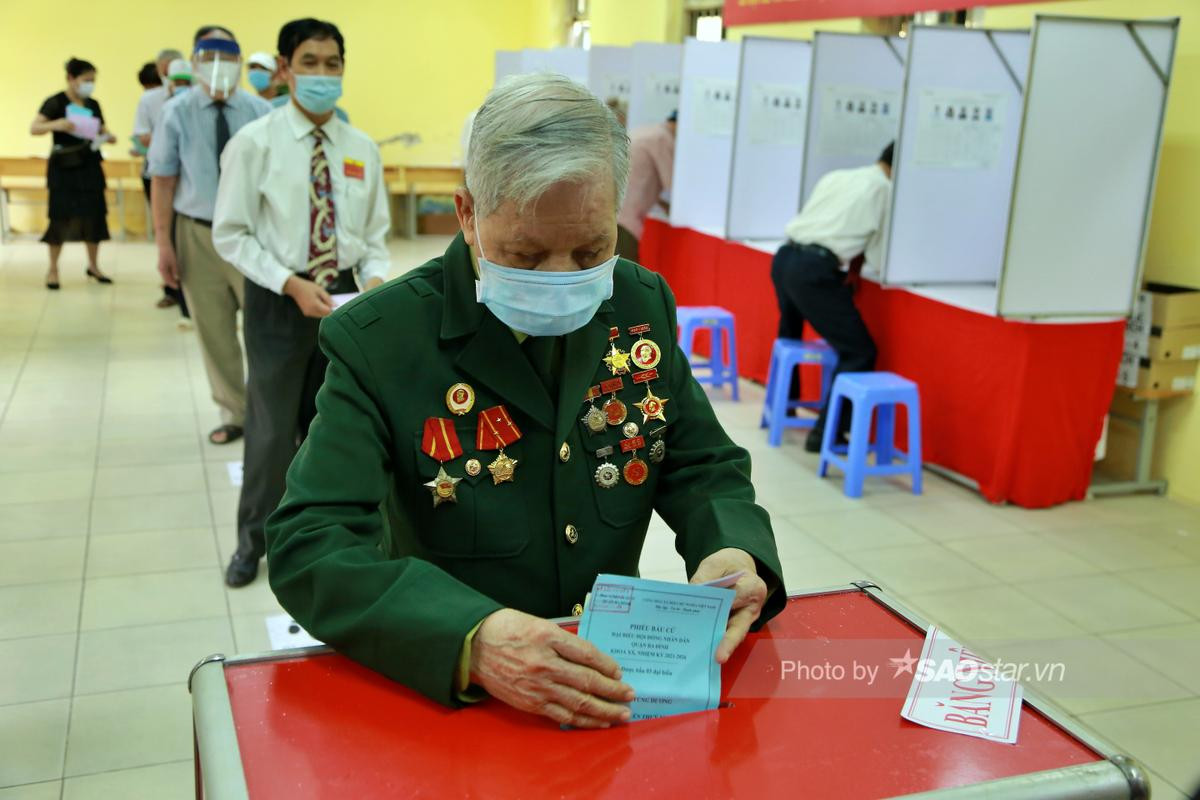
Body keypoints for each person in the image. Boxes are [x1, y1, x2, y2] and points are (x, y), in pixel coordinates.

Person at [266, 73, 784, 728]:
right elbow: (312, 541)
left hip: (605, 685)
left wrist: (730, 548)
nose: (564, 279)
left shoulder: (636, 302)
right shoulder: (383, 341)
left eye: (592, 248)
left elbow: (699, 463)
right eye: (526, 253)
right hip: (465, 696)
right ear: (467, 214)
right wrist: (471, 638)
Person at [214, 18, 390, 588]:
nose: (321, 75)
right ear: (286, 70)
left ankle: (326, 535)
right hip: (278, 299)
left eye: (331, 64)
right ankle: (252, 542)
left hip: (345, 301)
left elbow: (376, 235)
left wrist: (372, 282)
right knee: (268, 431)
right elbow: (232, 233)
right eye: (308, 63)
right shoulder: (255, 144)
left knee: (334, 424)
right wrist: (289, 282)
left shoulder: (361, 148)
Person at [148, 27, 271, 446]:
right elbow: (163, 180)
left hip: (253, 233)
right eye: (209, 55)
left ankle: (269, 411)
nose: (219, 64)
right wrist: (164, 243)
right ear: (195, 61)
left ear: (239, 62)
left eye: (228, 54)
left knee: (264, 326)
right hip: (197, 233)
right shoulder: (176, 112)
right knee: (214, 329)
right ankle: (233, 411)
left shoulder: (258, 109)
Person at [771, 142, 893, 452]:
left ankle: (784, 409)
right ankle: (827, 434)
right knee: (859, 351)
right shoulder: (885, 190)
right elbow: (880, 257)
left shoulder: (838, 176)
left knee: (790, 332)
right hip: (815, 269)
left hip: (784, 257)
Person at [30, 57, 116, 290]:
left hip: (89, 166)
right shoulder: (55, 102)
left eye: (93, 81)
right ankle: (53, 269)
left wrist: (108, 136)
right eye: (86, 80)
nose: (90, 84)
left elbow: (103, 128)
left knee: (94, 216)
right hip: (64, 169)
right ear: (71, 78)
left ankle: (93, 266)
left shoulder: (92, 104)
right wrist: (57, 124)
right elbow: (34, 128)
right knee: (60, 217)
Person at [133, 54, 190, 318]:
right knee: (167, 236)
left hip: (190, 183)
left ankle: (189, 298)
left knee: (188, 239)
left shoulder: (198, 101)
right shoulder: (152, 100)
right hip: (160, 177)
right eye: (171, 76)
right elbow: (141, 135)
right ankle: (171, 290)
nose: (178, 83)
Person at [614, 110, 676, 263]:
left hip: (612, 213)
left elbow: (640, 179)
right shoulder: (663, 139)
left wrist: (663, 204)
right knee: (626, 275)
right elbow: (672, 184)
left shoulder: (644, 132)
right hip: (626, 221)